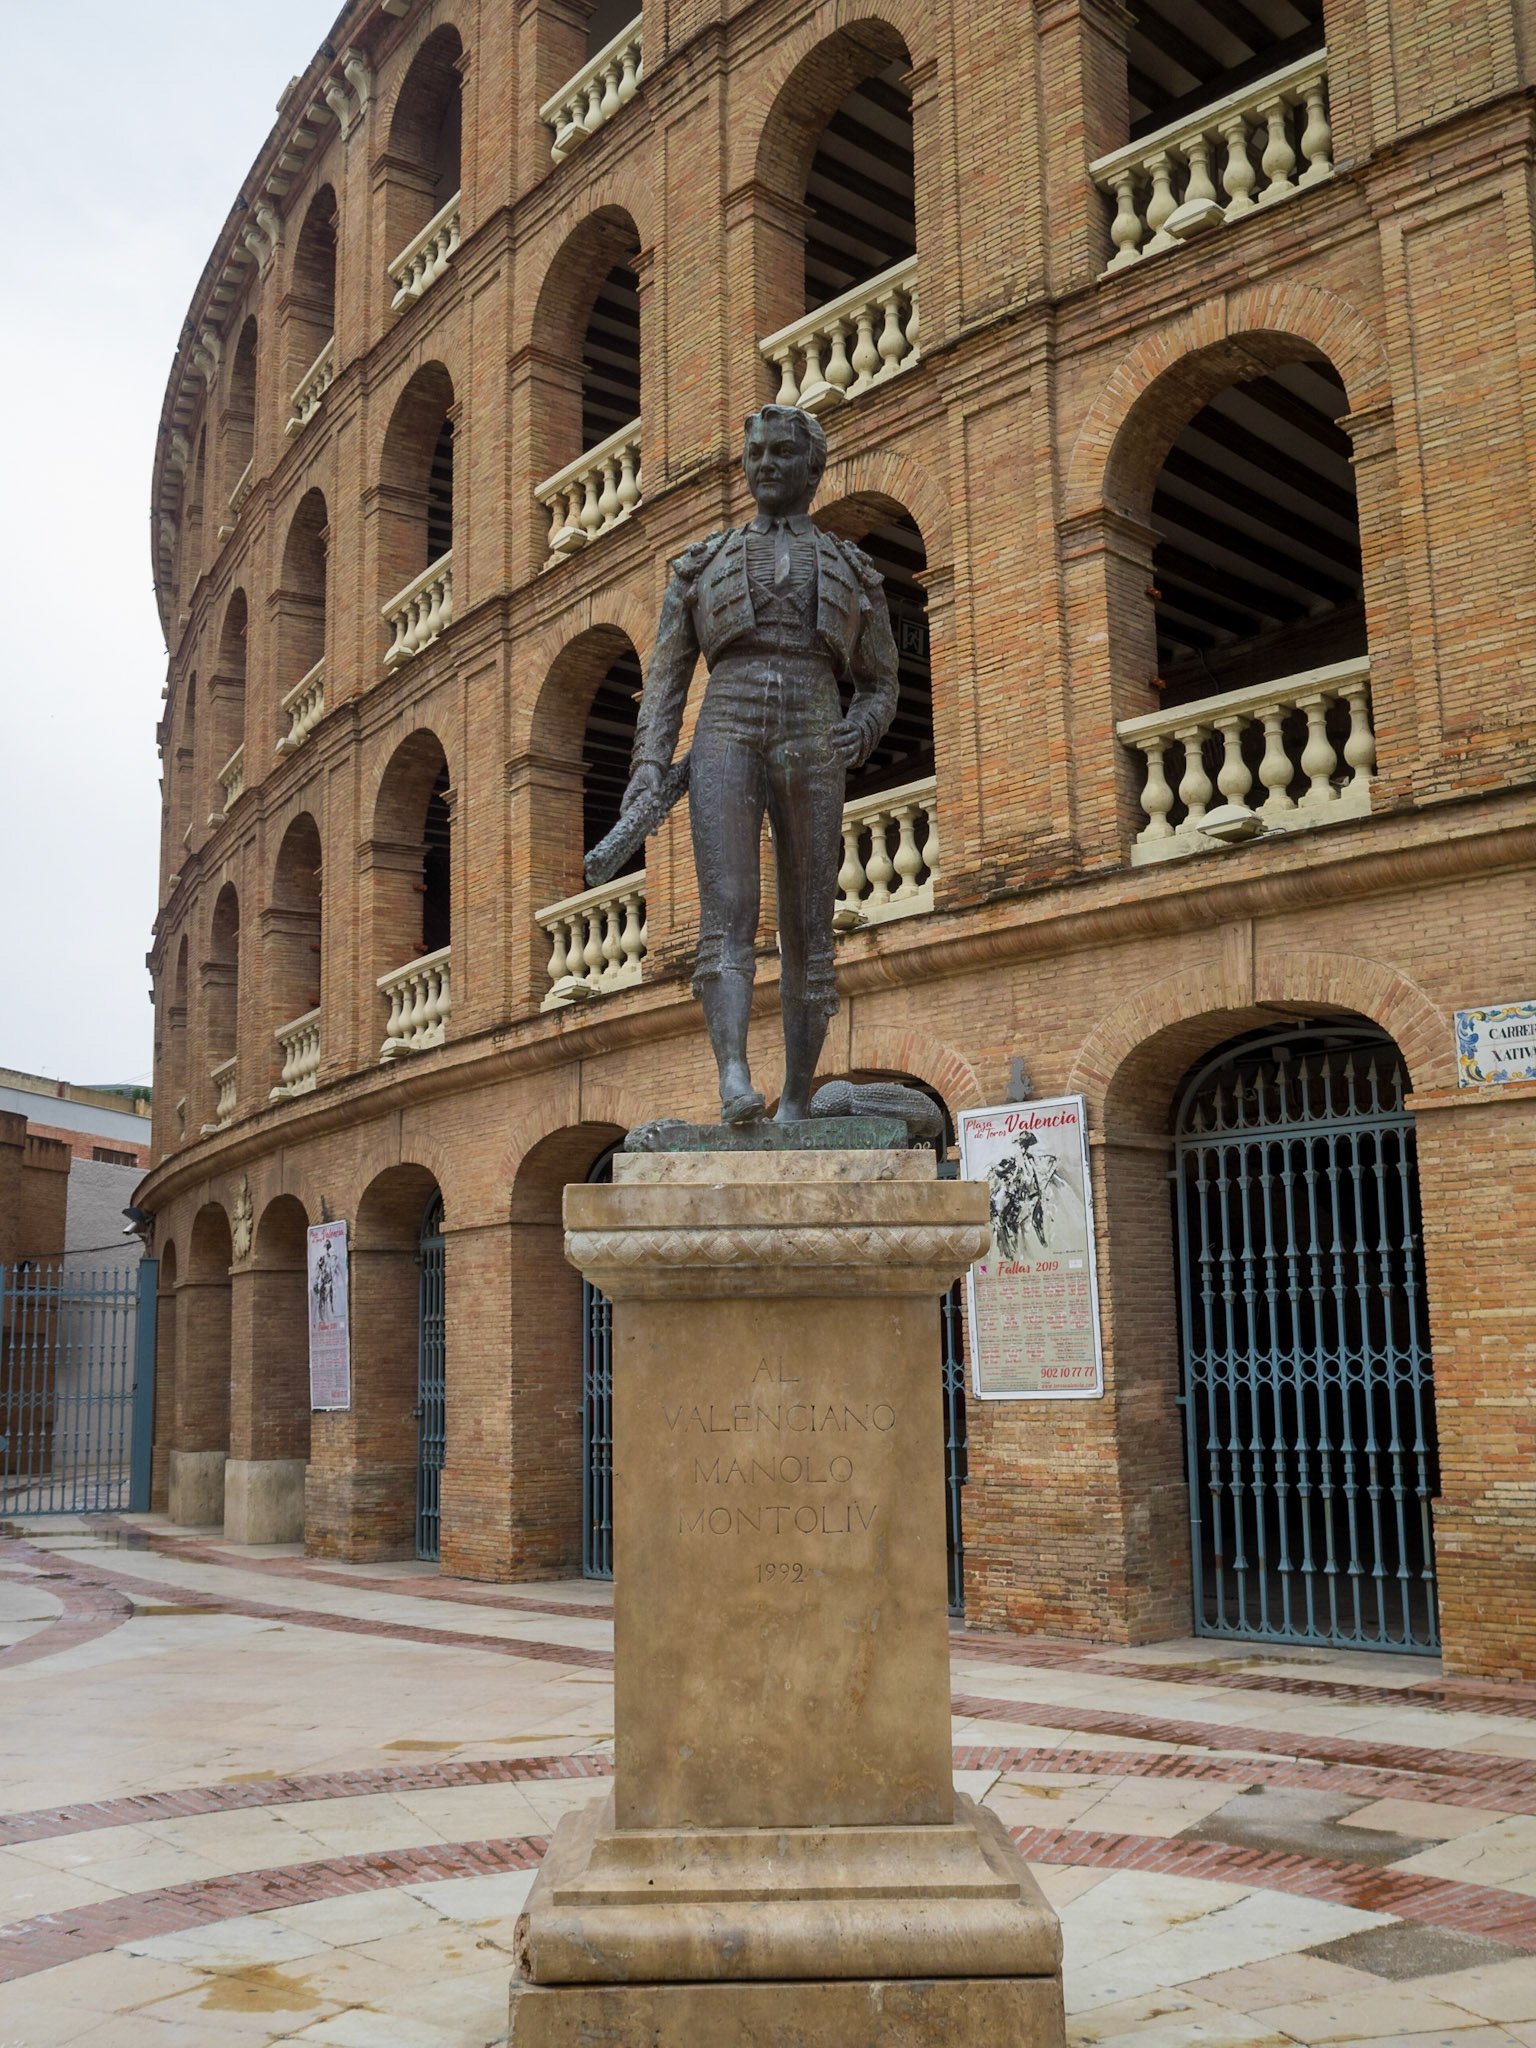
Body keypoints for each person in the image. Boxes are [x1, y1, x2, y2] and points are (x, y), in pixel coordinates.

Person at [621, 406, 899, 1123]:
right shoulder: (701, 564)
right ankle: (735, 1078)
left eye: (782, 452)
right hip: (728, 726)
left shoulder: (852, 569)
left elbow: (880, 679)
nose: (766, 463)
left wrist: (862, 726)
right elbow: (667, 677)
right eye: (755, 453)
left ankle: (799, 1099)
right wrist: (650, 765)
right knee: (729, 909)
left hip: (814, 727)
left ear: (812, 469)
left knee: (809, 924)